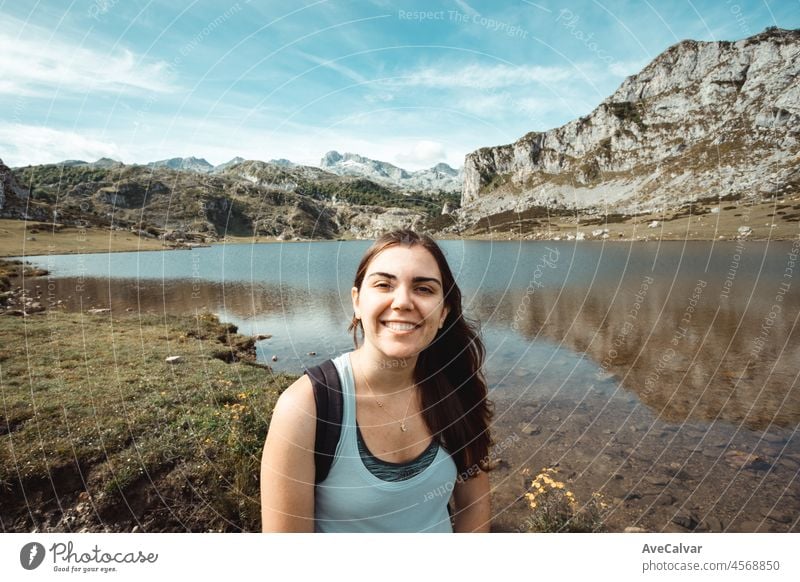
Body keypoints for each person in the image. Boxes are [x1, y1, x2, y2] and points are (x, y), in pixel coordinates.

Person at [260, 229, 492, 532]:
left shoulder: (455, 387)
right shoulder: (307, 407)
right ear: (357, 301)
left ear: (444, 312)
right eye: (384, 284)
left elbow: (474, 506)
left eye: (424, 289)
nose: (403, 302)